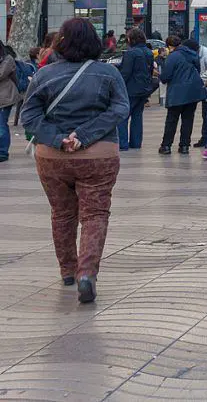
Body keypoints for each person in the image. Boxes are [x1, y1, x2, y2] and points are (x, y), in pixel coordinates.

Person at [21, 17, 130, 303]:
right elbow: (120, 108)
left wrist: (59, 138)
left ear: (61, 42)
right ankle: (86, 274)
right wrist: (84, 134)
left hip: (52, 158)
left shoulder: (44, 74)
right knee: (94, 214)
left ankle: (67, 270)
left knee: (62, 213)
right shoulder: (108, 74)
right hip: (98, 155)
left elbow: (28, 117)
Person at [158, 36, 204, 155]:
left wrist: (160, 75)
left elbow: (165, 76)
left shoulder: (172, 57)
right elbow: (198, 70)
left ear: (169, 46)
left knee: (172, 120)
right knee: (188, 119)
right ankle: (184, 146)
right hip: (193, 91)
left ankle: (166, 146)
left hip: (177, 92)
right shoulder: (193, 54)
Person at [117, 27, 154, 151]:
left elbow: (125, 73)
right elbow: (149, 71)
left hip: (131, 89)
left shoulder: (131, 53)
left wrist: (118, 87)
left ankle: (123, 144)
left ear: (131, 39)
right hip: (144, 89)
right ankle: (136, 143)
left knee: (122, 117)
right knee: (137, 117)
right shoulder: (149, 52)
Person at [0, 43, 20, 161]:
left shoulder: (7, 59)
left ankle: (2, 152)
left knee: (1, 125)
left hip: (5, 97)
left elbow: (1, 74)